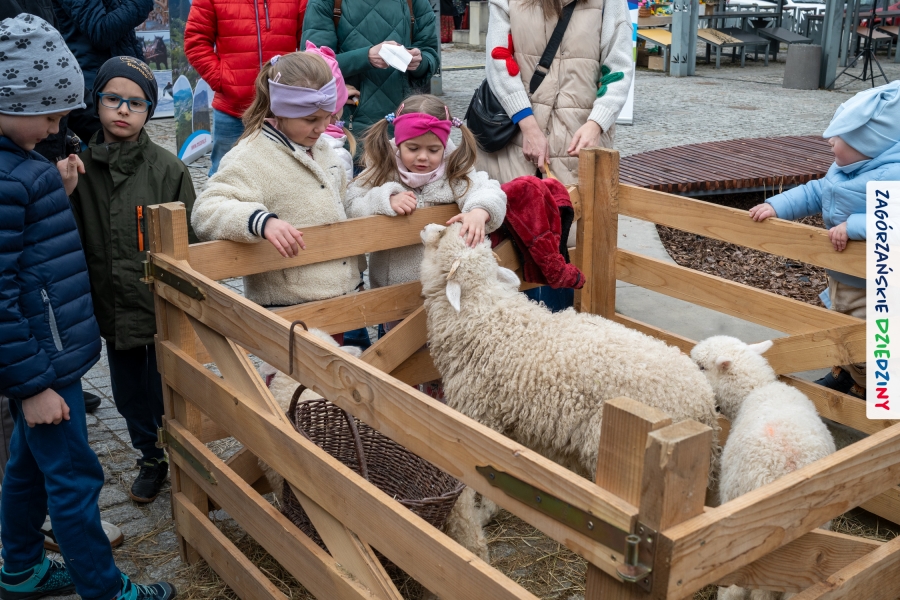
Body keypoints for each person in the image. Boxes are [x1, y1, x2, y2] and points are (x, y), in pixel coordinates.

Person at [0, 15, 175, 600]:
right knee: (75, 477)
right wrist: (33, 386)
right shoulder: (12, 178)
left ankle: (20, 569)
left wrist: (60, 191)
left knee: (27, 467)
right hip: (44, 366)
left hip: (48, 358)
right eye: (50, 116)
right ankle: (105, 589)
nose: (58, 128)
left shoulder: (25, 168)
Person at [69, 56, 197, 504]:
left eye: (136, 103)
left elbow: (190, 242)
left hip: (159, 306)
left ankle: (184, 453)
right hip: (112, 306)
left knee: (166, 386)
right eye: (113, 99)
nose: (123, 110)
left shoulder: (169, 170)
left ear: (149, 111)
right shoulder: (78, 171)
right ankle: (150, 455)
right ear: (97, 102)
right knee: (127, 392)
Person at [477, 0, 634, 311]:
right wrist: (527, 125)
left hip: (578, 139)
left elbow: (618, 64)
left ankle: (563, 328)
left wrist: (597, 122)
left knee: (567, 242)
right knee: (511, 240)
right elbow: (498, 60)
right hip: (514, 137)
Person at [749, 80, 900, 400]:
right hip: (843, 275)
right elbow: (817, 192)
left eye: (839, 136)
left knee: (866, 340)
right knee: (838, 327)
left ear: (868, 142)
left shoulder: (892, 176)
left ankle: (876, 391)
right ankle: (846, 375)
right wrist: (778, 205)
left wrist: (854, 226)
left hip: (875, 284)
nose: (829, 141)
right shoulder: (845, 169)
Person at [191, 51, 360, 312]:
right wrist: (262, 222)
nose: (322, 127)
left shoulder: (322, 148)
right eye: (311, 120)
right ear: (281, 111)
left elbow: (342, 201)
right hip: (290, 306)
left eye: (328, 117)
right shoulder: (250, 156)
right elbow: (206, 210)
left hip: (341, 293)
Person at [346, 94, 506, 306]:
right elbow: (351, 202)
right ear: (399, 143)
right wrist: (385, 199)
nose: (423, 156)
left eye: (433, 150)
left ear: (443, 146)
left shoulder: (455, 170)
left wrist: (479, 210)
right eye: (413, 148)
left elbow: (487, 189)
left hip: (446, 291)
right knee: (397, 329)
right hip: (393, 293)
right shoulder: (382, 168)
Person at [302, 0, 439, 165]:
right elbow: (313, 64)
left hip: (403, 126)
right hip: (348, 127)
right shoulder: (326, 2)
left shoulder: (415, 2)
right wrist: (365, 57)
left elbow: (430, 53)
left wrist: (420, 62)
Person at [184, 0, 308, 176]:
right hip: (232, 109)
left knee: (285, 175)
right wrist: (222, 79)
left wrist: (297, 84)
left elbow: (308, 41)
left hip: (283, 108)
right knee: (226, 174)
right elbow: (196, 41)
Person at [51, 0, 154, 142]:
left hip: (116, 81)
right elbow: (100, 30)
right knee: (103, 147)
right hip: (93, 89)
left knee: (124, 148)